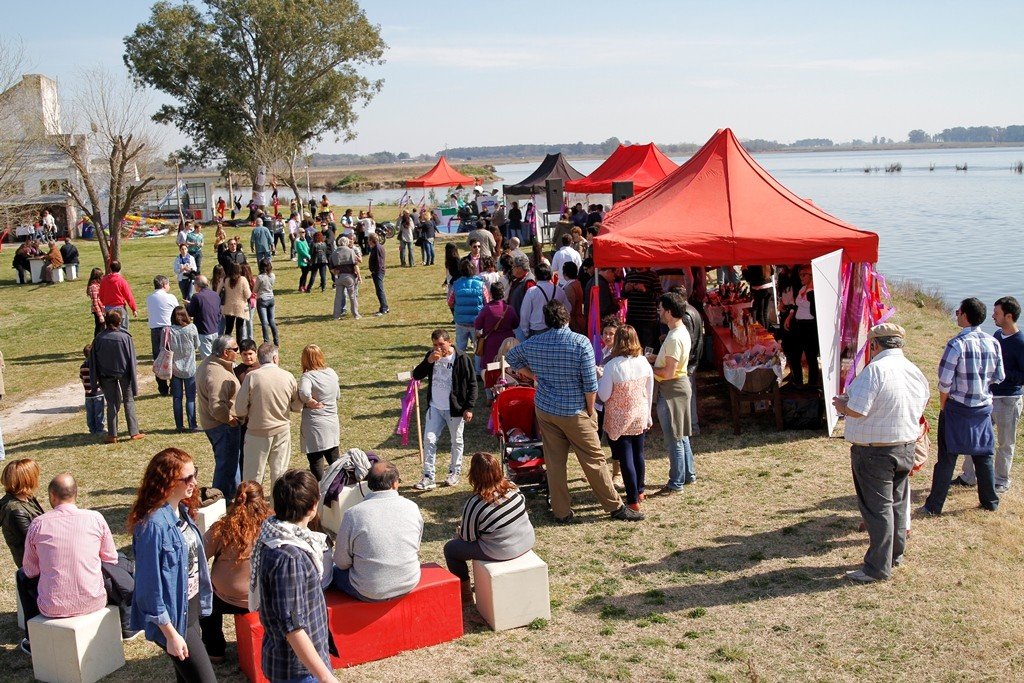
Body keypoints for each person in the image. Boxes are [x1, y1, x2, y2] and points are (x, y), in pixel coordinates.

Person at [505, 301, 639, 522]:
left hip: (547, 410)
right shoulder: (580, 343)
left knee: (555, 462)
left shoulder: (535, 342)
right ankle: (615, 507)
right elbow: (590, 385)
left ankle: (561, 512)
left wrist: (532, 375)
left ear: (547, 320)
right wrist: (590, 411)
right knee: (594, 460)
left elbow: (511, 357)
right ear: (566, 318)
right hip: (574, 410)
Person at [832, 323, 930, 583]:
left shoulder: (874, 370)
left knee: (878, 509)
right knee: (897, 503)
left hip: (875, 452)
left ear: (875, 345)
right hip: (905, 446)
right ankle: (894, 554)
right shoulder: (913, 370)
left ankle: (877, 567)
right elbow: (923, 402)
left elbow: (858, 409)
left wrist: (843, 404)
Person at [18, 474, 136, 651]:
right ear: (75, 494)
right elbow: (110, 557)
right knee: (111, 564)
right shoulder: (95, 518)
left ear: (52, 496)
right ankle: (127, 620)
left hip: (52, 607)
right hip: (94, 600)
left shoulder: (38, 524)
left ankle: (32, 639)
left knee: (20, 575)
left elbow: (30, 570)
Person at [128, 449, 216, 683]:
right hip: (175, 620)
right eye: (186, 478)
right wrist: (171, 634)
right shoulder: (153, 526)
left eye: (194, 473)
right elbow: (149, 590)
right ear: (166, 482)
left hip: (191, 608)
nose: (194, 482)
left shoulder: (182, 511)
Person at [251, 470, 337, 683]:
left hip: (295, 663)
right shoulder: (289, 557)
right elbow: (293, 628)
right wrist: (326, 677)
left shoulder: (275, 534)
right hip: (297, 670)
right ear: (313, 506)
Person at [922, 297, 1005, 516]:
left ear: (965, 316)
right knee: (983, 455)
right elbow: (999, 376)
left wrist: (943, 405)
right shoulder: (993, 342)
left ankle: (934, 505)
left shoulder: (956, 344)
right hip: (983, 408)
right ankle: (990, 501)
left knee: (947, 458)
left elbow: (944, 381)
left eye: (958, 311)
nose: (956, 314)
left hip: (957, 408)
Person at [953, 296, 1023, 493]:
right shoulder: (997, 337)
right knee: (976, 437)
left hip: (1009, 399)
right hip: (988, 398)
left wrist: (1002, 373)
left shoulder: (1021, 343)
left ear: (1009, 316)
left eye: (997, 313)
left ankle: (1001, 480)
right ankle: (969, 476)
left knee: (1005, 442)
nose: (993, 316)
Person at [444, 452, 535, 602]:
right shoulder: (512, 487)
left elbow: (467, 537)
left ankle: (465, 595)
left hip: (502, 551)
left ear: (474, 475)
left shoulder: (475, 503)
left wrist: (459, 532)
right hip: (526, 540)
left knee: (451, 549)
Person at [199, 481, 269, 662]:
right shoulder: (273, 525)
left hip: (225, 596)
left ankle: (215, 650)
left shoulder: (222, 528)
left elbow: (200, 556)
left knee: (203, 603)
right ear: (262, 500)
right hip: (264, 597)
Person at [333, 461, 422, 601]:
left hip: (369, 590)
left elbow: (341, 562)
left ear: (369, 484)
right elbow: (416, 546)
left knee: (332, 572)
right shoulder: (412, 507)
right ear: (395, 483)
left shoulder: (353, 514)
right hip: (409, 581)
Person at [598, 325, 655, 514]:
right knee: (639, 453)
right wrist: (647, 414)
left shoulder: (613, 366)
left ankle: (632, 500)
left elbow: (604, 395)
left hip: (619, 417)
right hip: (639, 412)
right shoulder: (644, 362)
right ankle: (639, 491)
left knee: (626, 458)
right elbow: (649, 389)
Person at [411, 330, 477, 490]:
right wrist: (428, 361)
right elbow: (416, 375)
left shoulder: (461, 358)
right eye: (435, 345)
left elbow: (472, 384)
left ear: (450, 341)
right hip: (435, 407)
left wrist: (468, 407)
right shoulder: (431, 356)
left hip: (455, 409)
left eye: (441, 344)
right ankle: (428, 477)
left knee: (456, 441)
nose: (438, 348)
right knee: (429, 440)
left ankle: (454, 472)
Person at [236, 343, 298, 489]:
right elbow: (296, 405)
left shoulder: (252, 377)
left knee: (253, 477)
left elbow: (239, 409)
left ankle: (252, 508)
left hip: (256, 433)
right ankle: (278, 507)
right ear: (275, 358)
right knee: (280, 474)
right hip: (282, 431)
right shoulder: (288, 376)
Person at [650, 292, 695, 493]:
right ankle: (688, 475)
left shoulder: (675, 336)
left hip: (671, 390)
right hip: (677, 387)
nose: (658, 311)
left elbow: (668, 372)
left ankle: (675, 482)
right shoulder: (677, 331)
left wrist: (648, 367)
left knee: (674, 438)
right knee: (681, 434)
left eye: (661, 308)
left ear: (668, 312)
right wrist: (655, 358)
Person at [197, 335, 242, 498]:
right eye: (235, 349)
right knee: (226, 466)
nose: (238, 352)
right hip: (222, 426)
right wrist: (230, 420)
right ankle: (217, 499)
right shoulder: (217, 374)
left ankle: (235, 497)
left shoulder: (210, 363)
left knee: (231, 463)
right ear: (225, 352)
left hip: (214, 425)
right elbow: (217, 406)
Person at [91, 310, 143, 443]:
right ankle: (134, 431)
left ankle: (112, 434)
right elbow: (132, 358)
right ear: (119, 322)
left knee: (112, 403)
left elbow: (93, 361)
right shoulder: (125, 337)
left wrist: (94, 379)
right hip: (124, 373)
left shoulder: (99, 338)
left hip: (105, 375)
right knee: (128, 401)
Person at [296, 345, 340, 481]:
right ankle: (339, 487)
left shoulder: (307, 377)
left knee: (316, 462)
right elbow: (338, 395)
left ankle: (320, 489)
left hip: (315, 425)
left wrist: (309, 401)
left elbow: (304, 392)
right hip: (332, 421)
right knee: (335, 461)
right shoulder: (331, 372)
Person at [1, 459, 44, 568]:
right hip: (34, 567)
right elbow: (33, 542)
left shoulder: (28, 497)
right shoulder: (15, 511)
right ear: (28, 479)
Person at [784, 265, 820, 386]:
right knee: (794, 354)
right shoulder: (802, 289)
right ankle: (797, 381)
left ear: (812, 275)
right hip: (799, 324)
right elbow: (795, 304)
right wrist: (790, 316)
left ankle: (812, 384)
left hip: (809, 326)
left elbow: (816, 311)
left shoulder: (814, 291)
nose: (801, 277)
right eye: (800, 274)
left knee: (811, 356)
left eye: (804, 274)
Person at [474, 282, 519, 373]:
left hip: (491, 342)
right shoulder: (509, 309)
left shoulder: (487, 309)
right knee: (507, 368)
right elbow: (516, 324)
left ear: (491, 293)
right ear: (503, 293)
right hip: (507, 342)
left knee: (490, 369)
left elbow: (478, 324)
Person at [168, 306, 200, 433]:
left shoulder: (169, 331)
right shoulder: (191, 328)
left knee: (177, 398)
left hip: (175, 368)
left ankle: (179, 425)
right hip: (190, 368)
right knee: (191, 397)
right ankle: (192, 424)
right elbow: (197, 345)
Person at [518, 262, 569, 339]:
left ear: (536, 276)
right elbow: (568, 308)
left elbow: (525, 313)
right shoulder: (559, 290)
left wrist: (525, 332)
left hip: (538, 330)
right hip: (557, 328)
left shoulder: (532, 291)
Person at [147, 275, 179, 396]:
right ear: (164, 285)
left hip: (155, 330)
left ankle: (162, 387)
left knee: (158, 358)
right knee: (171, 357)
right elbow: (177, 310)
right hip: (168, 329)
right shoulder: (170, 297)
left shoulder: (150, 298)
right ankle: (174, 384)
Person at [449, 260, 489, 357]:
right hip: (477, 322)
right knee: (479, 347)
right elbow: (487, 302)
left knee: (460, 348)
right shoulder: (481, 285)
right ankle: (479, 371)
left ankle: (460, 368)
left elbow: (450, 302)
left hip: (461, 322)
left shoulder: (456, 285)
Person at [623, 267, 663, 353]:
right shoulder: (629, 275)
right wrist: (626, 290)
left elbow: (659, 296)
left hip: (648, 320)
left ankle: (646, 363)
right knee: (630, 344)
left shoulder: (652, 276)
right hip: (632, 318)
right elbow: (623, 295)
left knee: (647, 346)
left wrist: (645, 290)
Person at [187, 275, 223, 359]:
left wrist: (188, 305)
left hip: (203, 331)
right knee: (216, 356)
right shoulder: (215, 294)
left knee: (207, 359)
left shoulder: (196, 297)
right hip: (214, 328)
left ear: (197, 285)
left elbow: (191, 313)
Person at [218, 262, 252, 345]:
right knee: (239, 328)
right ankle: (239, 346)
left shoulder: (226, 279)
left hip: (228, 306)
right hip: (240, 307)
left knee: (228, 329)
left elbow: (217, 291)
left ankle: (225, 345)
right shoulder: (243, 279)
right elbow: (248, 295)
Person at [98, 260, 137, 331]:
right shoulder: (122, 281)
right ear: (119, 268)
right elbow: (128, 296)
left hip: (108, 308)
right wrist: (133, 309)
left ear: (110, 268)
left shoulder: (104, 280)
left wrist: (104, 304)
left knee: (110, 330)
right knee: (123, 329)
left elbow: (101, 295)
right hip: (120, 308)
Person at [330, 236, 361, 320]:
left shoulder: (334, 253)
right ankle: (356, 314)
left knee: (338, 297)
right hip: (349, 276)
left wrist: (336, 273)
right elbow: (355, 264)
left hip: (339, 276)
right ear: (347, 242)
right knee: (352, 296)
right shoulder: (351, 251)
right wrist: (358, 276)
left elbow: (331, 268)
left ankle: (336, 315)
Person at [80, 344, 105, 434]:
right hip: (98, 393)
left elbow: (82, 378)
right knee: (99, 412)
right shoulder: (97, 366)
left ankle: (92, 428)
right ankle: (99, 429)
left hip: (87, 394)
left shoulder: (82, 367)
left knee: (90, 413)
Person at [255, 259, 279, 346]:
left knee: (264, 322)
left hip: (262, 299)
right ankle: (276, 340)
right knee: (272, 320)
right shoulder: (272, 275)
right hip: (271, 298)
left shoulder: (260, 277)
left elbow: (255, 290)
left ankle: (266, 341)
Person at [561, 262, 586, 334]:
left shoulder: (570, 287)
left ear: (565, 274)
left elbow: (569, 308)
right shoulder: (577, 283)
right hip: (578, 319)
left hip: (574, 322)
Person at [367, 232, 389, 316]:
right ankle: (383, 307)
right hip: (378, 271)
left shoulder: (377, 248)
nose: (368, 241)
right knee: (378, 290)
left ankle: (384, 308)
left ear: (371, 240)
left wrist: (375, 271)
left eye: (369, 239)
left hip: (378, 272)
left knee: (380, 290)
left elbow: (379, 262)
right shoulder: (376, 247)